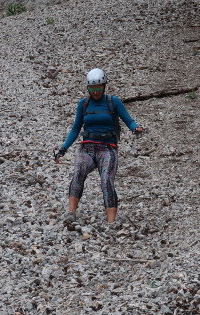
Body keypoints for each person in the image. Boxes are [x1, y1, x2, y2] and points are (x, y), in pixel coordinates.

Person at [55, 68, 144, 223]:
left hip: (107, 148)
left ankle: (111, 221)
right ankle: (71, 212)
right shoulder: (83, 104)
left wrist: (135, 128)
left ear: (104, 86)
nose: (95, 92)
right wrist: (63, 149)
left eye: (98, 88)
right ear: (88, 88)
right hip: (87, 148)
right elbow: (76, 128)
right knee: (78, 173)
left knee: (106, 181)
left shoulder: (113, 102)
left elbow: (128, 120)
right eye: (92, 88)